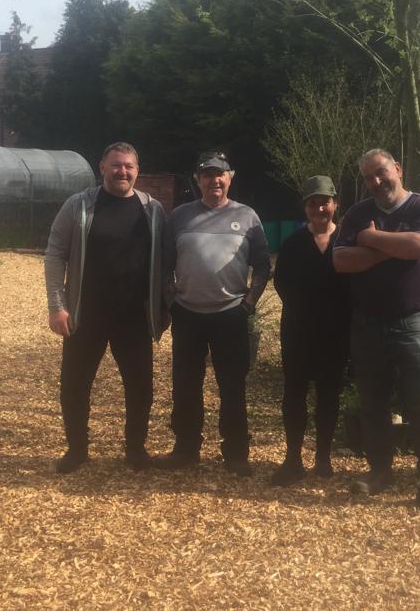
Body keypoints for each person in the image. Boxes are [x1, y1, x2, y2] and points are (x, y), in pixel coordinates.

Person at [333, 149, 420, 525]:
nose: (376, 181)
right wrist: (393, 247)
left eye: (381, 172)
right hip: (367, 324)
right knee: (373, 403)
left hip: (411, 323)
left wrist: (371, 239)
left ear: (398, 169)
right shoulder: (357, 214)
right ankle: (380, 471)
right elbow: (341, 261)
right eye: (368, 177)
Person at [44, 142, 169, 474]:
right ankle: (77, 450)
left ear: (137, 171)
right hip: (85, 314)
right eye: (115, 165)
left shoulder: (153, 210)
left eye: (128, 166)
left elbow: (165, 262)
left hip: (134, 316)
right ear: (102, 167)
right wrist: (57, 306)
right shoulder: (79, 205)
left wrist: (163, 307)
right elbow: (55, 254)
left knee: (140, 387)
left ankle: (135, 449)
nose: (122, 172)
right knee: (75, 384)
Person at [156, 151, 271, 477]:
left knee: (232, 386)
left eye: (219, 174)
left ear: (229, 178)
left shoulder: (247, 216)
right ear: (198, 180)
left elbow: (262, 266)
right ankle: (186, 448)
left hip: (230, 315)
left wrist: (249, 303)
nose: (213, 180)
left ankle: (236, 452)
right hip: (187, 315)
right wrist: (171, 301)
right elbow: (164, 265)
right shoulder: (179, 216)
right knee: (185, 385)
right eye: (207, 175)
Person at [270, 175, 349, 485]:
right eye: (313, 203)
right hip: (298, 331)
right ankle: (293, 458)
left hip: (336, 333)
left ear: (335, 204)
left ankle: (323, 457)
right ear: (305, 207)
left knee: (329, 395)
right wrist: (304, 309)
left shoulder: (346, 241)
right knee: (294, 394)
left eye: (325, 202)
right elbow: (281, 283)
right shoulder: (293, 244)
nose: (319, 209)